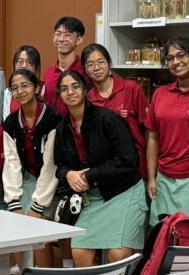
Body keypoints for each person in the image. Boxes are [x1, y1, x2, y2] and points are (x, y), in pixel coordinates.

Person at [53, 70, 145, 267]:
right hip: (92, 197)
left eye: (75, 86)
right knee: (79, 252)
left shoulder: (108, 119)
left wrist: (90, 176)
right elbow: (59, 166)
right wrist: (68, 174)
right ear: (59, 94)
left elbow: (129, 161)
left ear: (85, 89)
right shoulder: (62, 129)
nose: (70, 92)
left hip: (123, 191)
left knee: (118, 254)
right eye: (64, 89)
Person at [144, 37, 189, 229]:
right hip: (164, 178)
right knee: (163, 235)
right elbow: (153, 137)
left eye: (181, 55)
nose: (176, 62)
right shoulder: (160, 93)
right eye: (170, 58)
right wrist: (152, 177)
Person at [2, 69, 63, 267]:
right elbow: (11, 163)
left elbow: (51, 166)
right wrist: (14, 203)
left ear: (37, 88)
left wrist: (37, 206)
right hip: (28, 179)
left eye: (25, 86)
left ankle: (45, 272)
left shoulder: (53, 118)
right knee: (13, 224)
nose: (20, 91)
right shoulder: (11, 122)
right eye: (14, 88)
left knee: (38, 228)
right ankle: (24, 270)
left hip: (54, 184)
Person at [81, 43, 149, 179]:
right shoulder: (88, 100)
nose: (96, 68)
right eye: (90, 64)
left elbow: (148, 129)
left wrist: (151, 170)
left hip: (137, 166)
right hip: (108, 171)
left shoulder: (131, 88)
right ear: (85, 70)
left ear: (109, 63)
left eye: (101, 62)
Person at [43, 17, 85, 112]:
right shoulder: (48, 73)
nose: (61, 39)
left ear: (79, 40)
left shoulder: (85, 71)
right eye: (58, 34)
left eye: (67, 35)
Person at [1, 45, 45, 114]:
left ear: (37, 67)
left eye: (29, 62)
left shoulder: (44, 89)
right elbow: (7, 118)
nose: (24, 66)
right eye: (20, 61)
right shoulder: (8, 93)